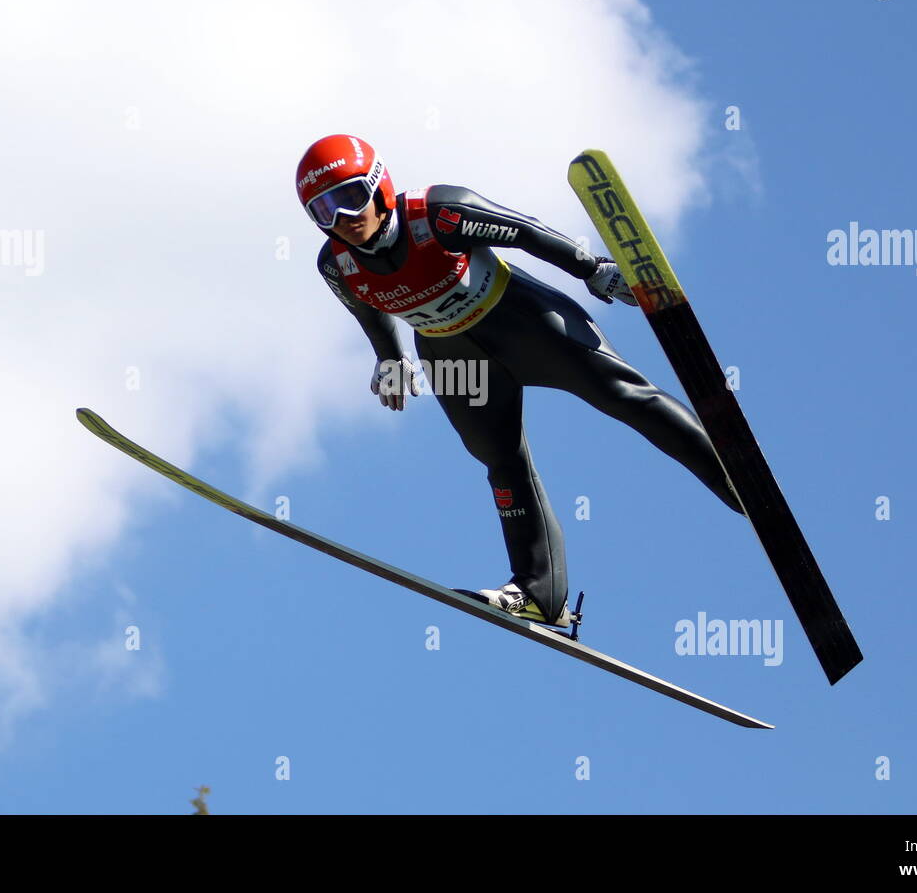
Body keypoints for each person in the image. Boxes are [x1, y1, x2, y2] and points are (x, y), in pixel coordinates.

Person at [296, 133, 742, 628]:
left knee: (625, 397)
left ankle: (735, 480)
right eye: (324, 211)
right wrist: (391, 359)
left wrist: (592, 269)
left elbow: (525, 232)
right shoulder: (335, 264)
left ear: (380, 187)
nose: (343, 219)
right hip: (453, 356)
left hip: (522, 322)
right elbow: (368, 309)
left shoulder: (440, 212)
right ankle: (538, 592)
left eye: (351, 198)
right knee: (501, 461)